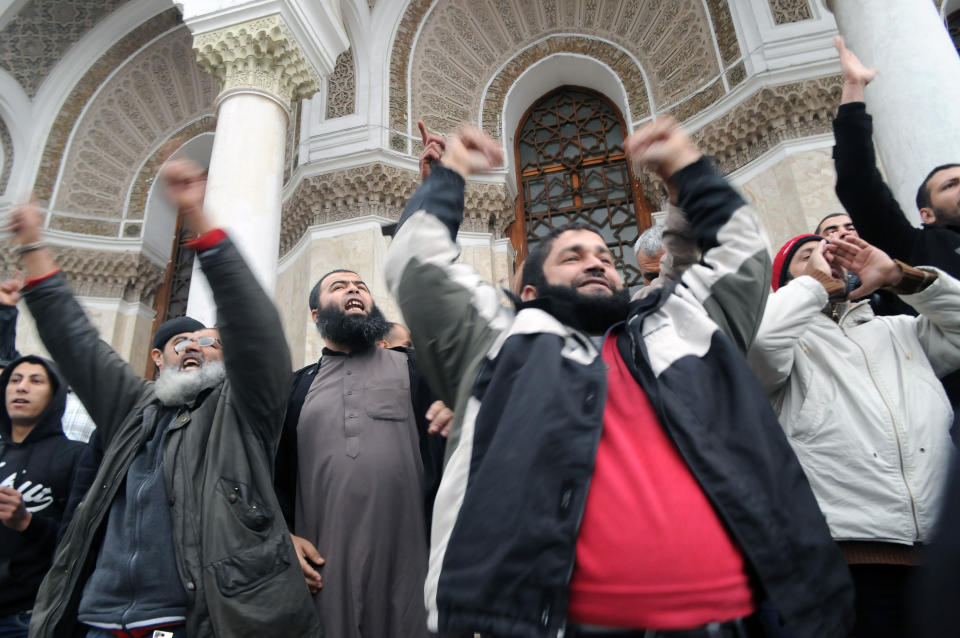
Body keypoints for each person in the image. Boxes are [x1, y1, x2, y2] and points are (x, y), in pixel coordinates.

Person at [385, 118, 853, 638]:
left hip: (716, 621)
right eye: (572, 256)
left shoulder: (677, 327)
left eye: (606, 257)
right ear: (532, 292)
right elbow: (418, 261)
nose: (596, 263)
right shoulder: (500, 340)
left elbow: (741, 252)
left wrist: (687, 170)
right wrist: (448, 175)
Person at [10, 159, 319, 638]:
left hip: (194, 621)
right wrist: (32, 247)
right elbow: (77, 344)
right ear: (160, 358)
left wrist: (198, 218)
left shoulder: (241, 414)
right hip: (99, 622)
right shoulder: (135, 408)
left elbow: (254, 325)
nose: (195, 344)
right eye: (183, 343)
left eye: (211, 342)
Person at [749, 233, 960, 638]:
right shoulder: (787, 347)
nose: (828, 259)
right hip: (847, 561)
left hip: (938, 556)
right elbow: (759, 344)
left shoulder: (901, 330)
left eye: (836, 253)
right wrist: (813, 286)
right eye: (808, 258)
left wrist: (899, 275)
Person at [274, 270, 448, 638]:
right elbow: (270, 475)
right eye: (338, 286)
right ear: (316, 316)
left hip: (413, 564)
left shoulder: (417, 369)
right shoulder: (294, 388)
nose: (353, 288)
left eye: (361, 286)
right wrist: (283, 536)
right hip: (325, 572)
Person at [0, 355, 85, 638]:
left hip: (26, 619)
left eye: (36, 381)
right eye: (14, 380)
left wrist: (26, 521)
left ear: (55, 393)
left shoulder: (75, 456)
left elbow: (79, 541)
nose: (21, 388)